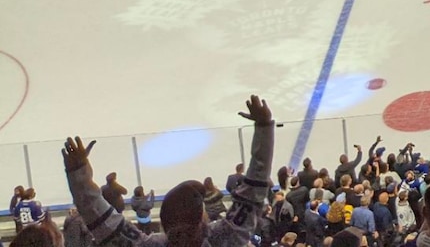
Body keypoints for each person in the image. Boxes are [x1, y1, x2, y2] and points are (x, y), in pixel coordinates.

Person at [62, 97, 275, 247]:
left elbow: (101, 220)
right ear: (202, 219)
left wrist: (78, 172)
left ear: (164, 225)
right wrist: (264, 127)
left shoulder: (147, 245)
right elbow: (253, 194)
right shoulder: (226, 238)